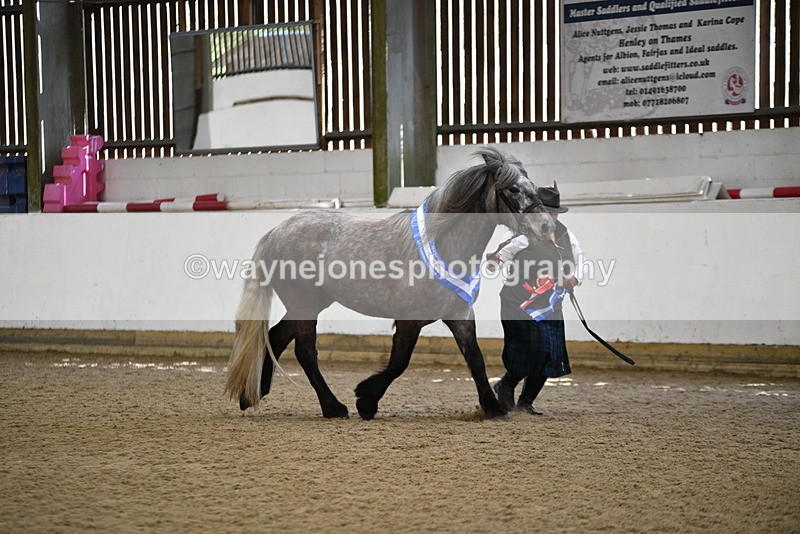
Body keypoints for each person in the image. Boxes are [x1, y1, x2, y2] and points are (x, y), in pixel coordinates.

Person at [489, 183, 584, 415]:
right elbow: (499, 258)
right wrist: (494, 261)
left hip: (550, 305)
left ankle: (526, 401)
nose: (551, 217)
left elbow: (579, 260)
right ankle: (506, 386)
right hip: (518, 304)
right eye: (547, 211)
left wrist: (574, 279)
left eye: (554, 212)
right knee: (528, 351)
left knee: (549, 353)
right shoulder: (519, 235)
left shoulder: (566, 235)